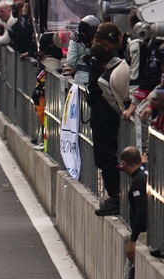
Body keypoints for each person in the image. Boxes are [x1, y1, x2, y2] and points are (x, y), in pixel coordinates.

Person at [89, 22, 127, 216]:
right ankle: (115, 196)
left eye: (106, 45)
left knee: (107, 156)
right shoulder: (96, 58)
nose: (106, 49)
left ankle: (117, 197)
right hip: (101, 111)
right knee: (103, 156)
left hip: (109, 112)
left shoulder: (124, 56)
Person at [122, 12, 164, 155]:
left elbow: (151, 76)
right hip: (157, 90)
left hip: (156, 91)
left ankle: (143, 155)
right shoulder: (151, 42)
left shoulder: (156, 42)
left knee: (141, 113)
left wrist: (134, 104)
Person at [117, 146, 146, 279]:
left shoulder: (138, 182)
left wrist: (133, 240)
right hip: (142, 235)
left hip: (141, 237)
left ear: (125, 163)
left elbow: (141, 214)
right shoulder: (142, 174)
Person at [63, 15, 97, 88]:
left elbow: (71, 61)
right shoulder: (101, 39)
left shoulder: (76, 39)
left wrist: (77, 66)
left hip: (81, 80)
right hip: (98, 79)